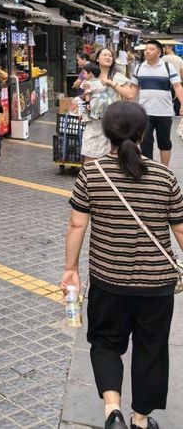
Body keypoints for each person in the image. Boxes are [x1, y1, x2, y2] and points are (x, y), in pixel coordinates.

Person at [61, 101, 183, 429]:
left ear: (107, 133)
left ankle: (112, 411)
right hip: (156, 286)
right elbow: (180, 228)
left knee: (104, 343)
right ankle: (140, 420)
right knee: (151, 349)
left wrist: (70, 269)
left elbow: (77, 225)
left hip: (107, 280)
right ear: (144, 134)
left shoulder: (92, 173)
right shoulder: (163, 176)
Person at [77, 48, 135, 162]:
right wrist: (84, 95)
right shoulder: (91, 76)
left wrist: (111, 83)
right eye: (105, 55)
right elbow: (85, 98)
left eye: (110, 56)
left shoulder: (117, 76)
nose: (108, 57)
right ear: (97, 59)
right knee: (89, 155)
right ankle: (89, 178)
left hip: (113, 123)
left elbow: (129, 95)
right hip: (93, 123)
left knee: (110, 157)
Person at [132, 39, 183, 167]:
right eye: (146, 49)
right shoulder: (139, 68)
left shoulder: (167, 67)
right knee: (145, 143)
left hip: (164, 112)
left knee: (164, 143)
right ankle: (148, 170)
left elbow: (177, 86)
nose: (147, 51)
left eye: (151, 49)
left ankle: (164, 170)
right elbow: (132, 91)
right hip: (145, 113)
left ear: (159, 53)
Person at [161, 48, 183, 115]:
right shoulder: (179, 59)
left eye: (166, 48)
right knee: (177, 99)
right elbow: (181, 72)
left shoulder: (163, 58)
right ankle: (177, 113)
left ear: (169, 48)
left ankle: (165, 113)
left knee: (165, 99)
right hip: (177, 82)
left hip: (165, 82)